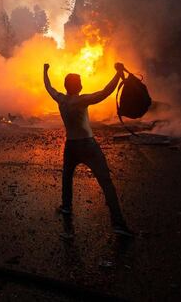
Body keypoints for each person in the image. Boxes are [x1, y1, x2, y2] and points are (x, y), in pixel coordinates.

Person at [43, 61, 134, 238]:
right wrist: (118, 73)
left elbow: (48, 86)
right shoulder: (82, 100)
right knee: (105, 182)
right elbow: (105, 92)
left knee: (67, 177)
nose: (82, 83)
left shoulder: (61, 99)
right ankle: (118, 223)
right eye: (80, 82)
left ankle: (67, 206)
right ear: (78, 86)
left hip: (71, 145)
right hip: (87, 145)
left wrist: (45, 70)